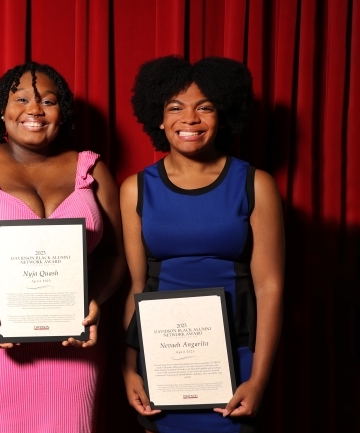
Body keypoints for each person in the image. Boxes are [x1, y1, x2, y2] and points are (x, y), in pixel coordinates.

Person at [0, 61, 125, 432]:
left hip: (72, 340)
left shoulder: (91, 170)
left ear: (62, 112)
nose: (34, 109)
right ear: (2, 110)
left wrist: (93, 298)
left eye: (48, 100)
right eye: (22, 99)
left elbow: (114, 256)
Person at [121, 56, 284, 433]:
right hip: (161, 361)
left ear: (222, 115)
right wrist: (127, 369)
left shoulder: (255, 184)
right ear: (158, 118)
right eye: (175, 108)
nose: (189, 119)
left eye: (204, 107)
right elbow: (136, 286)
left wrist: (258, 380)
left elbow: (270, 287)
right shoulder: (136, 188)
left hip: (239, 357)